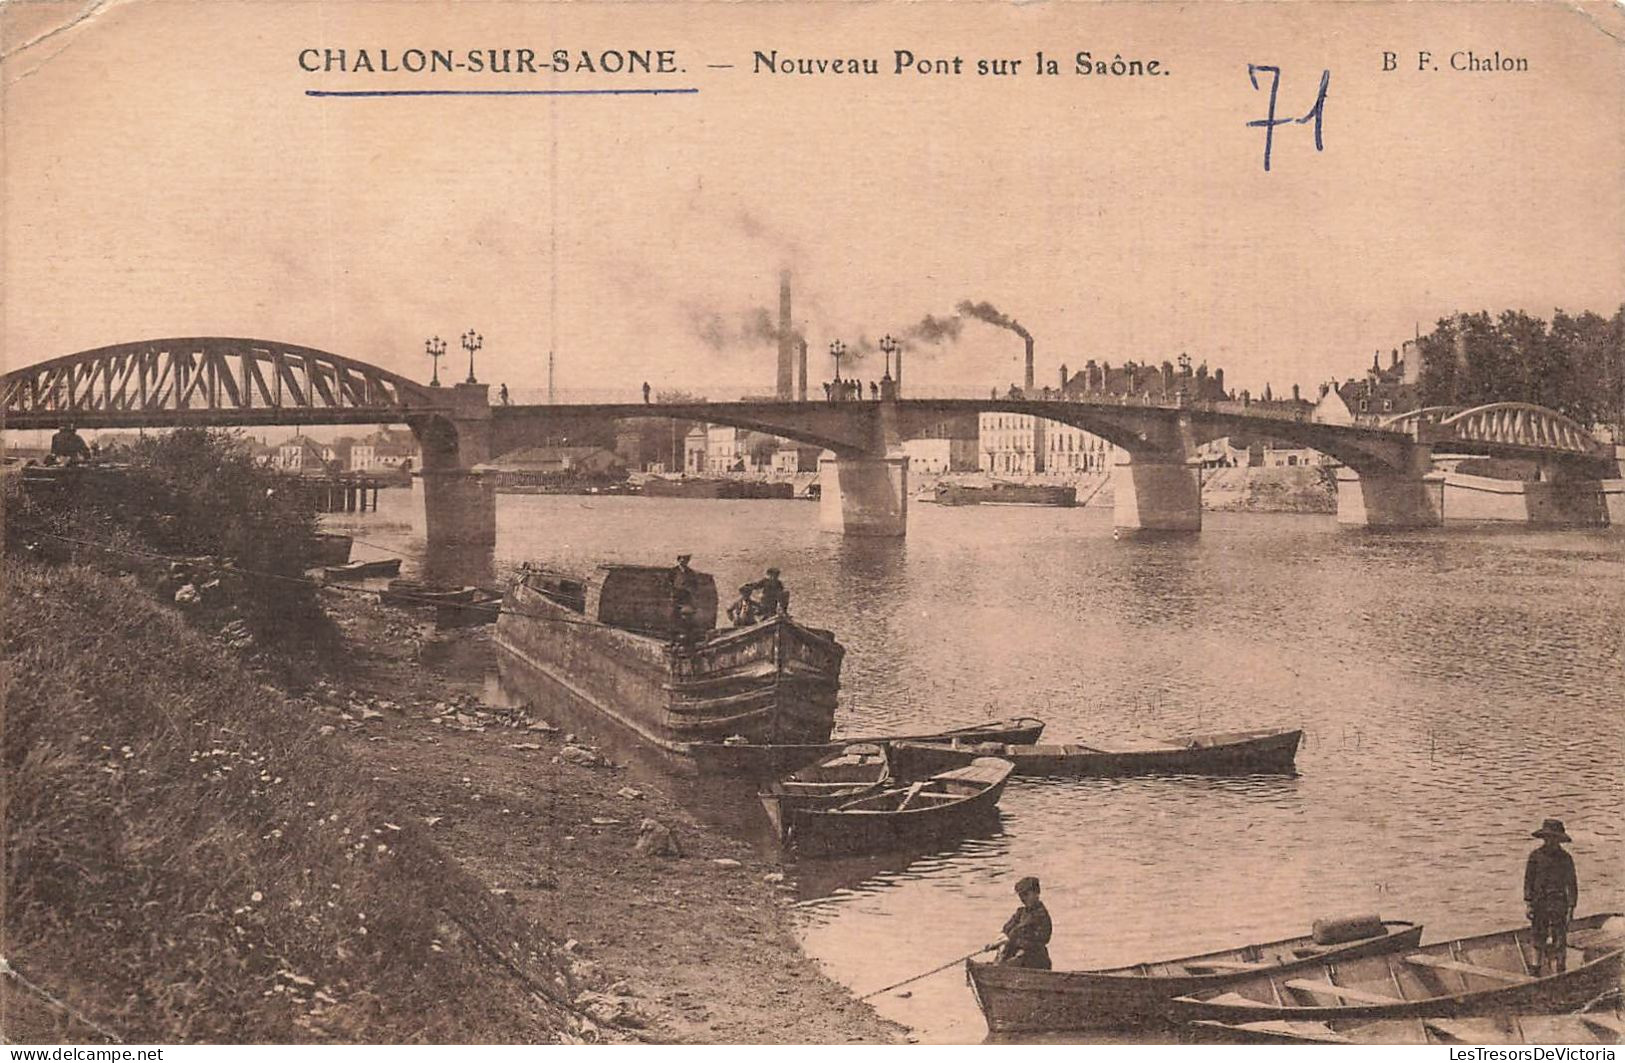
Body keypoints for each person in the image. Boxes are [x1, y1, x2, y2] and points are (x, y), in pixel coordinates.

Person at [1525, 818, 1579, 974]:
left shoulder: (1566, 859)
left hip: (1558, 903)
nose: (1551, 841)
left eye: (1554, 838)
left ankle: (1559, 971)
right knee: (1537, 937)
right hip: (1539, 903)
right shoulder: (1535, 856)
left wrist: (1571, 908)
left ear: (1559, 840)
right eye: (1548, 838)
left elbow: (1572, 884)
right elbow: (1528, 882)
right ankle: (1535, 972)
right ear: (1544, 838)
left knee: (1559, 939)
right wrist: (1528, 904)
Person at [992, 876, 1052, 969]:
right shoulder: (1020, 913)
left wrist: (1015, 941)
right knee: (1002, 958)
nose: (1023, 898)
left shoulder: (1042, 916)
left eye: (1026, 894)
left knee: (1013, 961)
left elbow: (1041, 940)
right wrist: (996, 943)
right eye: (1021, 895)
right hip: (1016, 955)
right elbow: (1006, 929)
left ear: (1037, 893)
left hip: (1035, 960)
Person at [669, 554, 698, 642]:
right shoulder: (673, 571)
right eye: (682, 559)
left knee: (687, 618)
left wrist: (690, 591)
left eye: (686, 559)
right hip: (676, 597)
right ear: (678, 560)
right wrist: (673, 593)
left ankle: (688, 639)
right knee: (674, 617)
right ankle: (673, 639)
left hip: (686, 597)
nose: (684, 561)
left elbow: (694, 585)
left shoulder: (691, 573)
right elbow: (669, 583)